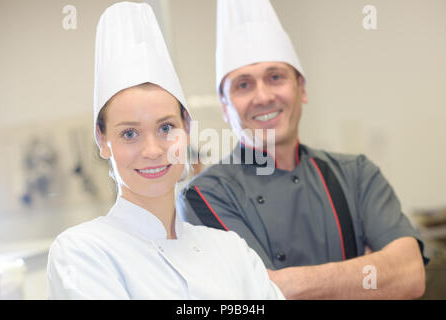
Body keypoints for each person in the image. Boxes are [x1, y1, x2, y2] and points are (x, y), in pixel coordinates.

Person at [177, 0, 428, 299]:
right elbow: (256, 297)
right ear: (225, 106)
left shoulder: (357, 174)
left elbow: (410, 274)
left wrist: (285, 283)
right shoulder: (204, 195)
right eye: (243, 85)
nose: (263, 96)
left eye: (275, 77)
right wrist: (368, 270)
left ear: (302, 88)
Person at [46, 2, 284, 300]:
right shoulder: (82, 252)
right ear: (102, 140)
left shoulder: (232, 250)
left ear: (187, 128)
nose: (153, 150)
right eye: (129, 133)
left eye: (166, 127)